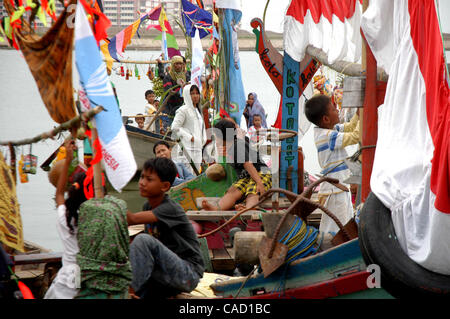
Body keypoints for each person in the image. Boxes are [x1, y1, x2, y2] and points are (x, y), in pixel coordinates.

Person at [127, 158, 204, 298]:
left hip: (188, 273)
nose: (142, 183)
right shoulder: (147, 207)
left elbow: (131, 219)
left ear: (165, 186)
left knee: (142, 240)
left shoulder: (170, 208)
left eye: (149, 179)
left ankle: (128, 293)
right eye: (142, 177)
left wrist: (111, 205)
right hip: (164, 272)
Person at [304, 94, 360, 235]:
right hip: (334, 190)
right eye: (334, 109)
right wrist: (365, 117)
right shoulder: (328, 136)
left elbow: (350, 126)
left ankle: (332, 246)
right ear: (326, 119)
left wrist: (359, 114)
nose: (337, 110)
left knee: (338, 224)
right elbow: (355, 136)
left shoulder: (328, 130)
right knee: (339, 227)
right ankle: (333, 248)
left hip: (338, 188)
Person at [44, 139, 86, 299]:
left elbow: (59, 194)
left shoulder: (65, 216)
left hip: (70, 275)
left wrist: (68, 160)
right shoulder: (94, 218)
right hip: (89, 274)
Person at [202, 119, 271, 211]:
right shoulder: (230, 148)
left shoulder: (238, 145)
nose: (215, 139)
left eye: (216, 136)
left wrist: (260, 183)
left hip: (260, 173)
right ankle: (217, 208)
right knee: (232, 191)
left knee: (253, 191)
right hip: (247, 177)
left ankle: (249, 208)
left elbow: (249, 166)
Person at [171, 84, 207, 173]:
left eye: (197, 93)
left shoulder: (198, 111)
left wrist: (203, 140)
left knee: (195, 174)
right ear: (187, 95)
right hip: (187, 149)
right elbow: (174, 127)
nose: (195, 96)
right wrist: (189, 137)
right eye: (192, 93)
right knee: (187, 175)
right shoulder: (183, 110)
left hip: (198, 149)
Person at [161, 55, 191, 130]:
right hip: (172, 107)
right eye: (176, 64)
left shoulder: (186, 76)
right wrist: (181, 93)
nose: (179, 66)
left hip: (184, 105)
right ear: (173, 65)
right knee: (173, 128)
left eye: (180, 64)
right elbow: (169, 91)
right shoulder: (168, 77)